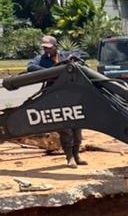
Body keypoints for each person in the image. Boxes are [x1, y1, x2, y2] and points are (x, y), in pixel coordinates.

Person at [27, 35, 85, 168]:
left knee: (77, 129)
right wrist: (51, 72)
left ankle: (76, 156)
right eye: (44, 48)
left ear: (55, 46)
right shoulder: (41, 60)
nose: (46, 51)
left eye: (49, 48)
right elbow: (30, 67)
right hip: (54, 97)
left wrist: (72, 60)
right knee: (65, 129)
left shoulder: (65, 55)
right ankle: (69, 157)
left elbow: (81, 55)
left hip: (72, 95)